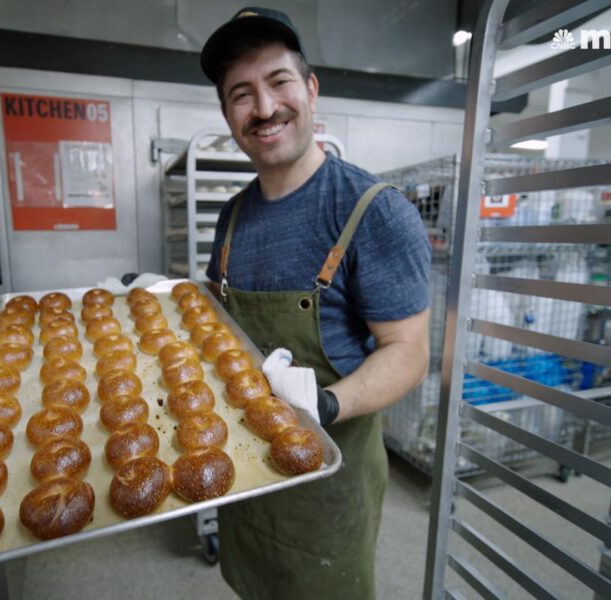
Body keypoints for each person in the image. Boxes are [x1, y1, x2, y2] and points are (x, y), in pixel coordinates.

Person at [200, 7, 431, 599]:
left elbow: (407, 351)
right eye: (241, 94)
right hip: (246, 479)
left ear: (310, 89)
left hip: (329, 486)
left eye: (278, 82)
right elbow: (219, 328)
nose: (265, 106)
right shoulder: (232, 216)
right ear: (228, 115)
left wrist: (325, 406)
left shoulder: (373, 211)